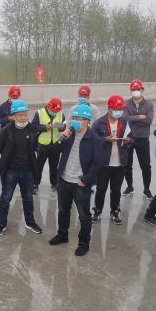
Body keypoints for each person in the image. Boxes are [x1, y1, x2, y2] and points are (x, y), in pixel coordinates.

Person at [48, 104, 100, 256]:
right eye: (74, 118)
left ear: (87, 121)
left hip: (80, 184)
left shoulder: (95, 139)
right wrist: (62, 137)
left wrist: (85, 179)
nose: (76, 121)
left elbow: (97, 163)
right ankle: (62, 235)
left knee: (84, 215)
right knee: (63, 210)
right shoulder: (69, 135)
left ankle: (84, 243)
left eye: (80, 119)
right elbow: (55, 151)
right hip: (64, 180)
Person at [0, 100, 47, 236]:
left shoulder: (32, 129)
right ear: (14, 116)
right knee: (6, 198)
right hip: (10, 171)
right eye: (20, 115)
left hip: (27, 171)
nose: (24, 117)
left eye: (25, 114)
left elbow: (35, 144)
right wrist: (8, 155)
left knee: (28, 198)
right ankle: (1, 224)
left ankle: (30, 222)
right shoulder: (6, 131)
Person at [90, 95, 131, 225]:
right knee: (101, 189)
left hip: (120, 163)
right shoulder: (99, 123)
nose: (118, 111)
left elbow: (133, 138)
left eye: (120, 109)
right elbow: (92, 139)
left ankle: (115, 212)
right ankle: (97, 211)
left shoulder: (124, 122)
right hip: (104, 164)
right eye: (116, 109)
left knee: (116, 190)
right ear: (109, 108)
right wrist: (104, 140)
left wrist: (129, 141)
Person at [122, 79, 154, 198]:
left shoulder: (149, 104)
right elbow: (124, 118)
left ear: (142, 89)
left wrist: (133, 118)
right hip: (129, 138)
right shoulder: (126, 103)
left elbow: (149, 120)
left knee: (145, 166)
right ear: (130, 90)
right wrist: (140, 117)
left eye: (138, 89)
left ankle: (146, 189)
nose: (136, 91)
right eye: (133, 89)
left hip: (143, 138)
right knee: (127, 165)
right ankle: (129, 186)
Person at [32, 97, 65, 194]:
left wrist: (61, 127)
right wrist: (44, 127)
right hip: (43, 144)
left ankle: (54, 183)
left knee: (54, 165)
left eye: (57, 111)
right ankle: (35, 183)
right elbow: (33, 126)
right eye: (53, 110)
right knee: (39, 165)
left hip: (55, 143)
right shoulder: (39, 113)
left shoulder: (60, 113)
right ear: (48, 106)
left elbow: (64, 126)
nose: (55, 112)